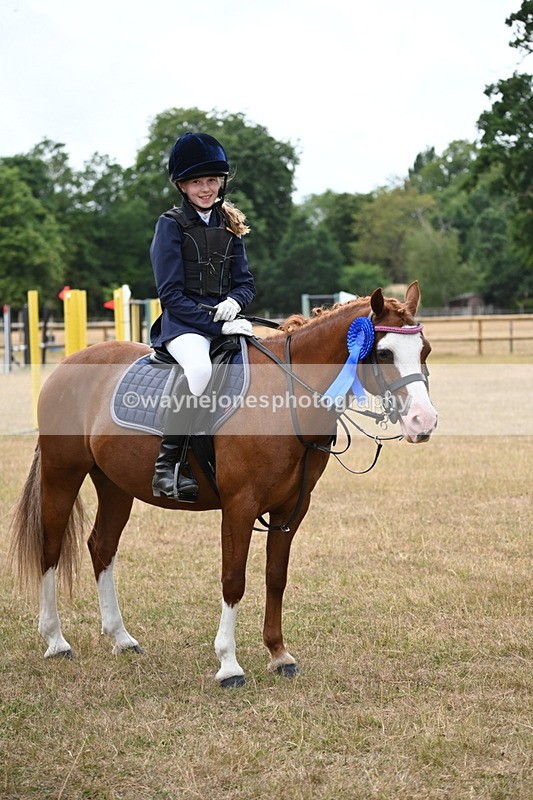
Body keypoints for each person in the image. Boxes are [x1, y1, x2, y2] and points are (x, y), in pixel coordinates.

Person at [149, 132, 255, 499]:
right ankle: (167, 467)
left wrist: (236, 302)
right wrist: (215, 324)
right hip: (183, 325)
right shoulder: (170, 224)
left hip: (225, 320)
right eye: (197, 182)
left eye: (212, 180)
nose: (206, 188)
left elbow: (245, 282)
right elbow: (170, 295)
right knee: (199, 370)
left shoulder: (229, 223)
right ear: (182, 185)